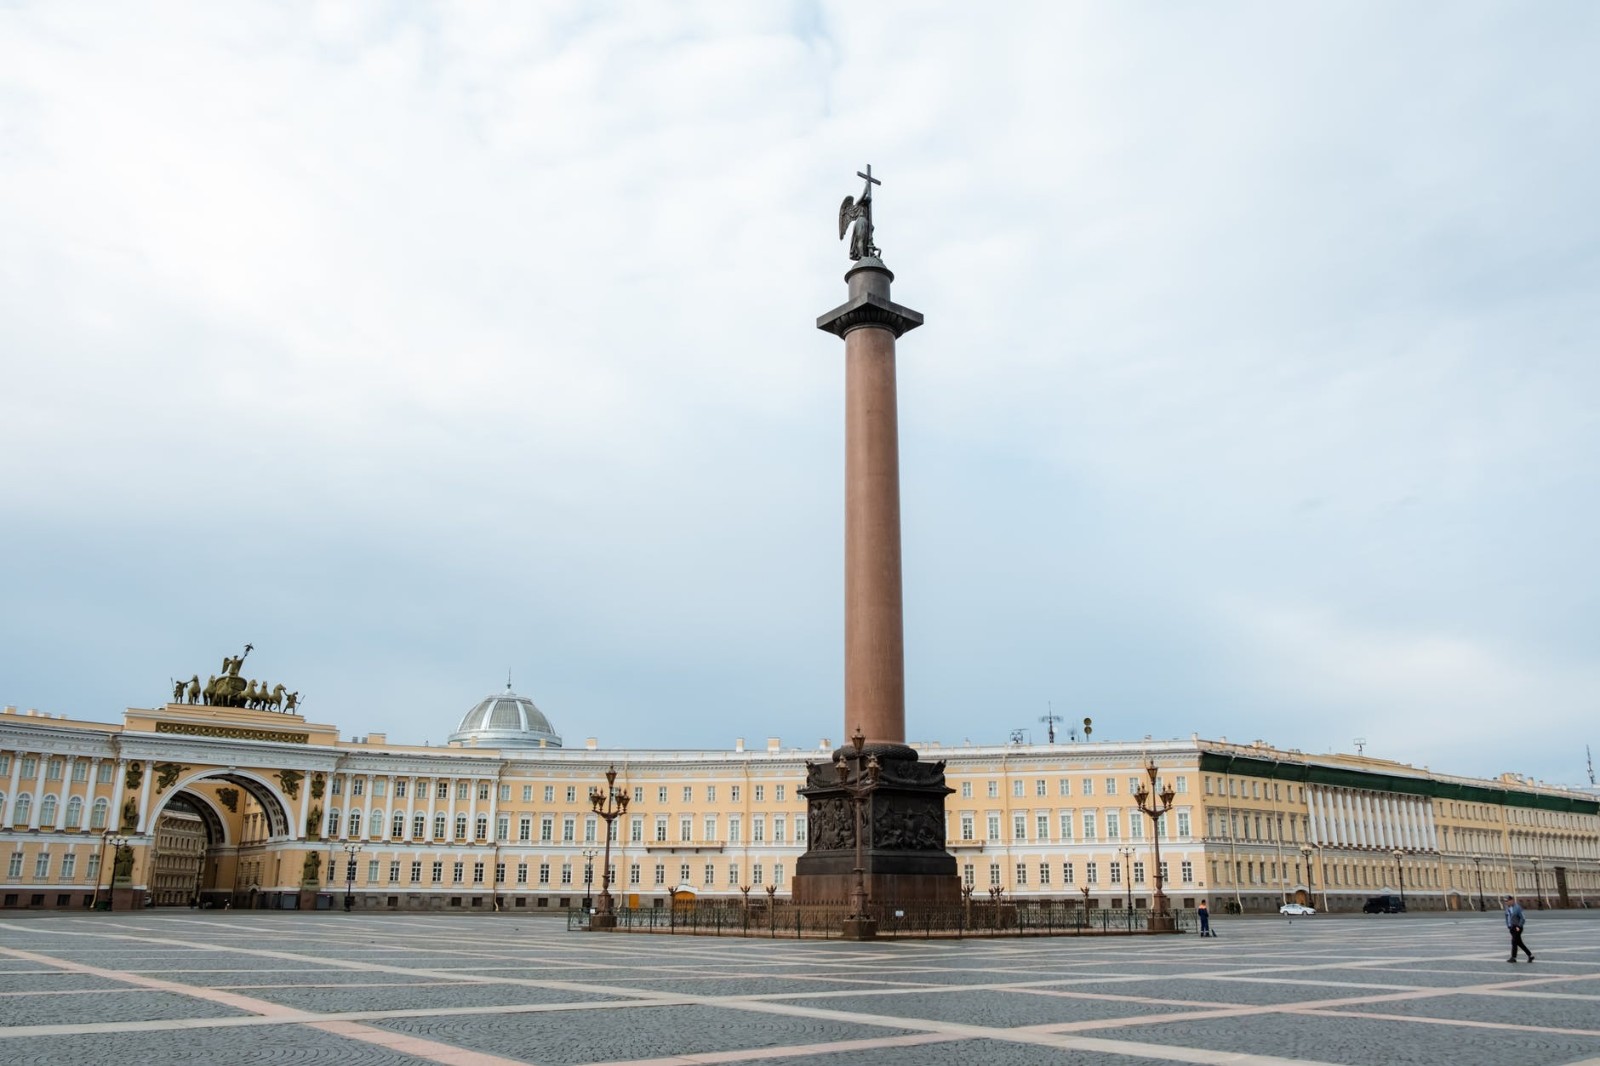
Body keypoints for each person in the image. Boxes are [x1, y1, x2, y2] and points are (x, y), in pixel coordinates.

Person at [1504, 895, 1534, 962]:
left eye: (1507, 901)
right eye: (1505, 901)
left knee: (1514, 942)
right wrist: (1508, 925)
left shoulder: (1517, 908)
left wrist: (1519, 926)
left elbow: (1522, 918)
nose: (1506, 902)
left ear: (1511, 900)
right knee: (1519, 943)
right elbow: (1506, 916)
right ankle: (1530, 955)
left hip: (1517, 927)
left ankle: (1513, 957)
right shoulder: (1507, 908)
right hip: (1511, 927)